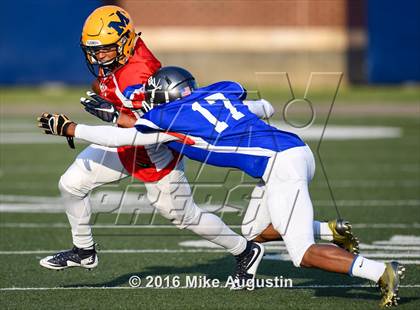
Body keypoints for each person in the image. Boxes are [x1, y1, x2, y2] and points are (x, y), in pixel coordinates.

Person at [38, 66, 405, 306]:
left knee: (302, 253)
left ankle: (379, 272)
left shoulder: (167, 118)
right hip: (295, 149)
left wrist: (70, 129)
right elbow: (265, 106)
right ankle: (330, 229)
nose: (150, 99)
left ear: (167, 94)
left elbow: (128, 136)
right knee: (253, 231)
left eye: (154, 94)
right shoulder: (220, 90)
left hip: (280, 166)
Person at [38, 6, 269, 286]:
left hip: (154, 152)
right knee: (71, 184)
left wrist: (111, 115)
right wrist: (108, 100)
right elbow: (110, 91)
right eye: (93, 50)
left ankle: (244, 250)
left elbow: (147, 126)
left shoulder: (139, 75)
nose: (98, 56)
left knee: (184, 216)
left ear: (124, 42)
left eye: (105, 50)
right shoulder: (124, 54)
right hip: (128, 147)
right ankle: (84, 251)